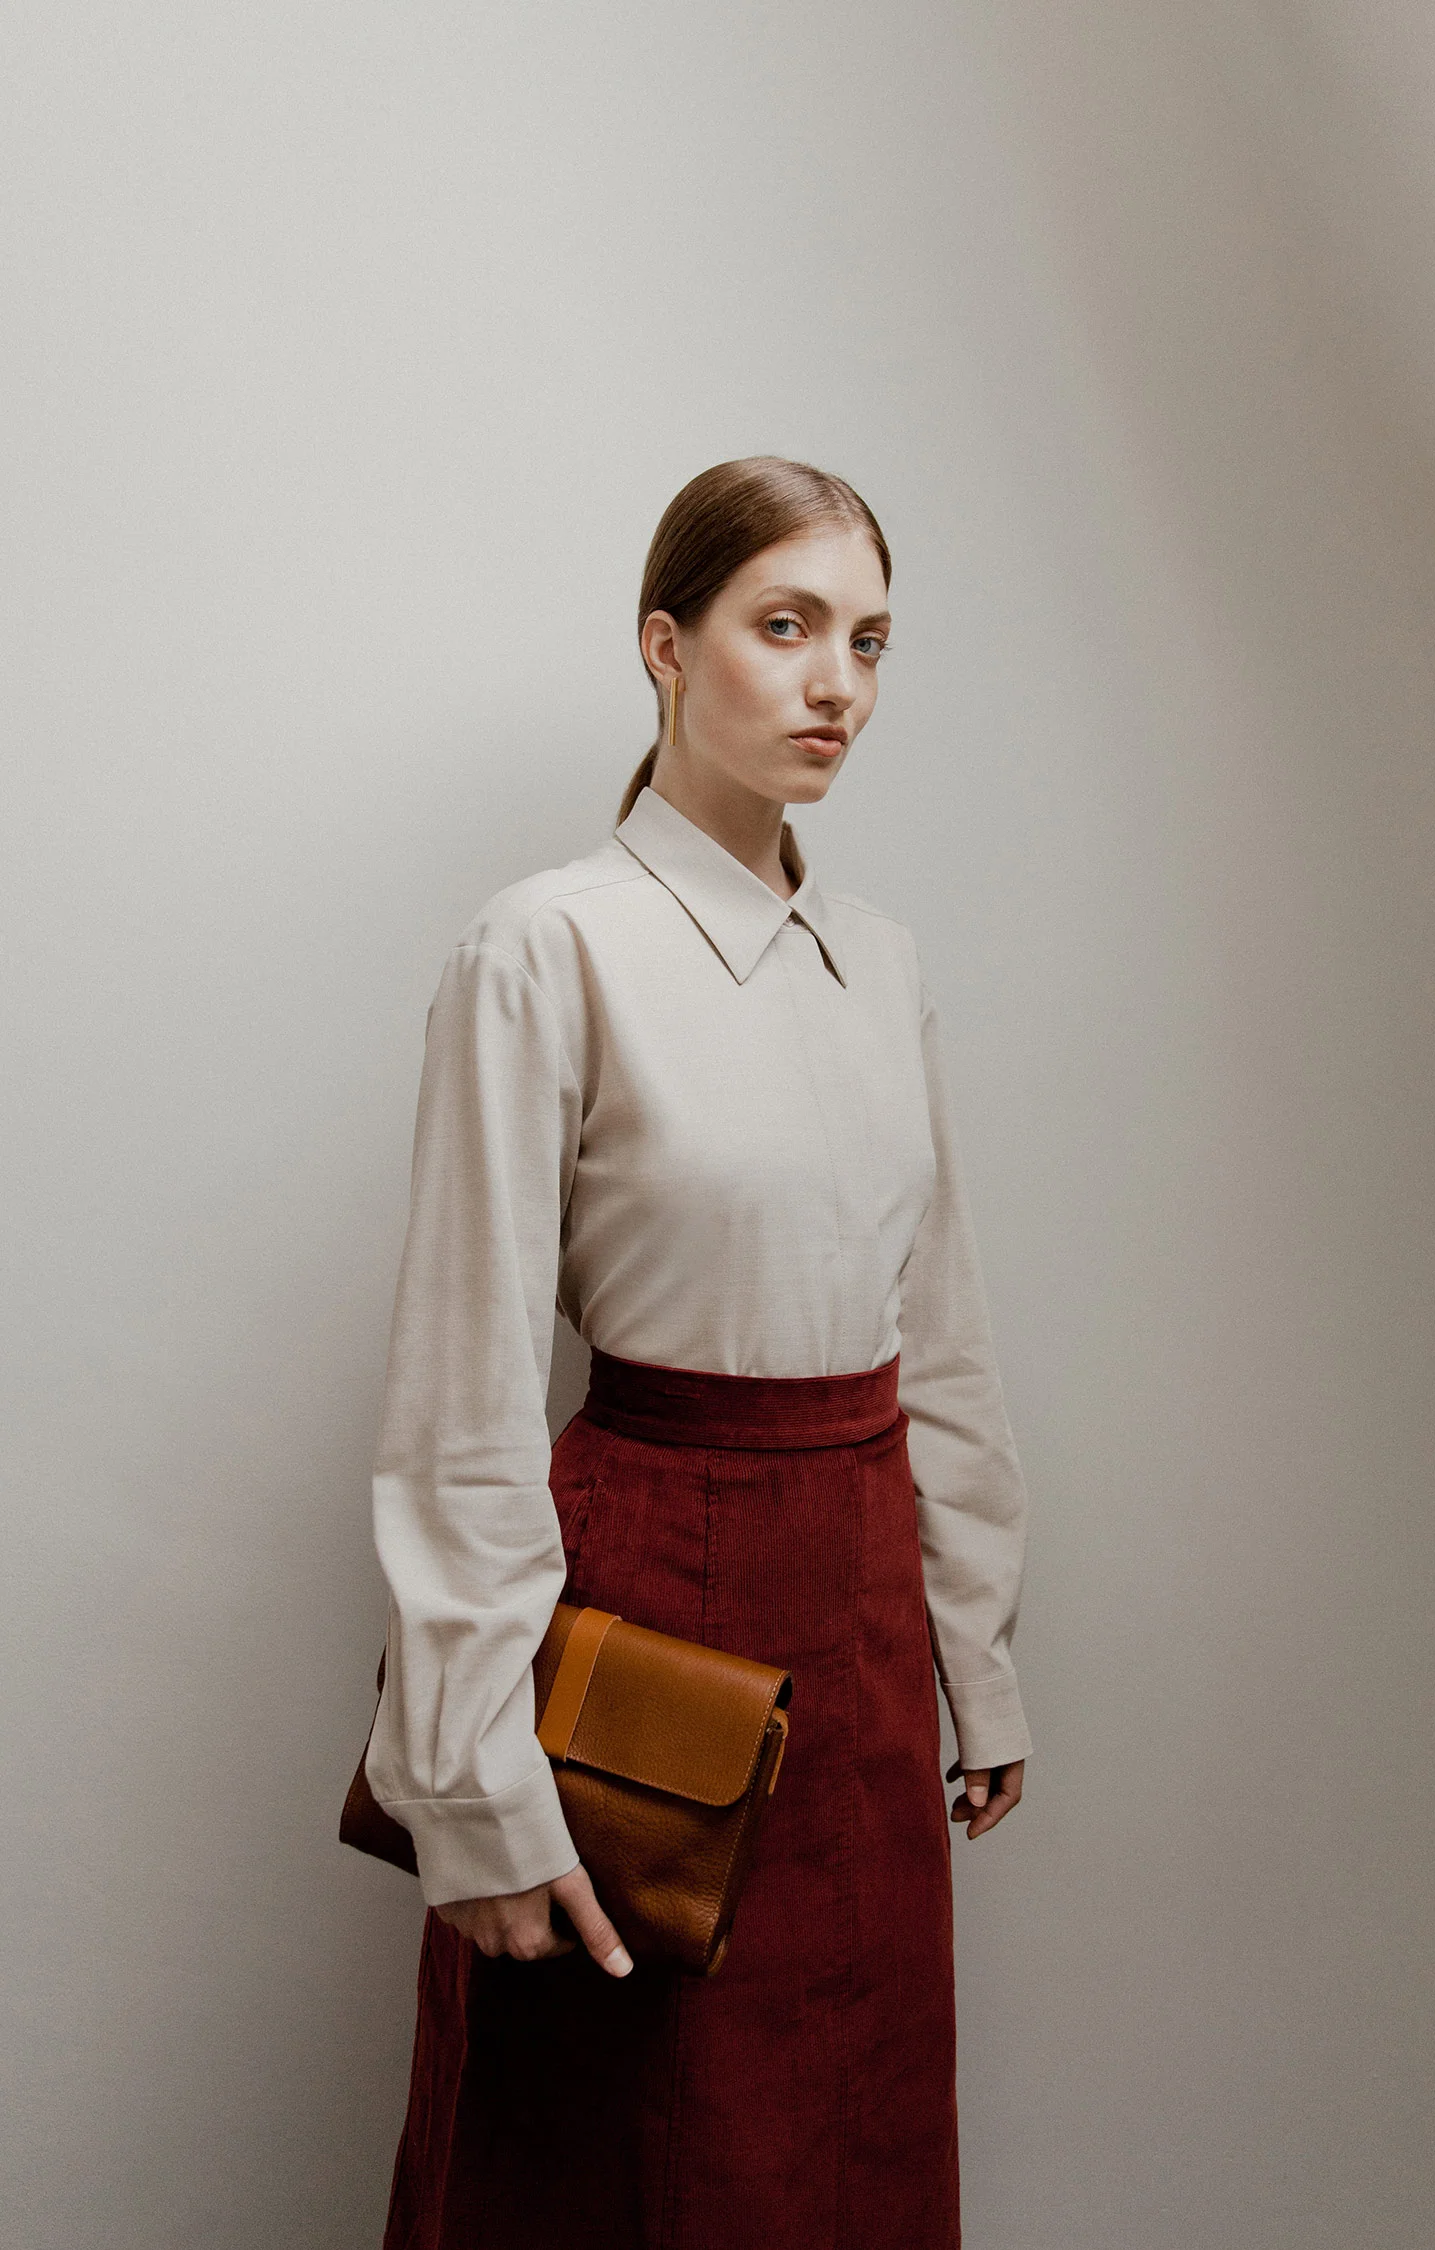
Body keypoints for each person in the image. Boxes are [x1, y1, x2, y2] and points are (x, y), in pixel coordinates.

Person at [365, 456, 1034, 2250]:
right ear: (665, 646)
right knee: (618, 2161)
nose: (839, 686)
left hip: (868, 1626)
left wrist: (976, 1649)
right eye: (786, 625)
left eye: (871, 641)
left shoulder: (880, 962)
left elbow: (938, 1327)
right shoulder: (546, 945)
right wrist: (471, 1773)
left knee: (851, 2143)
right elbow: (465, 1390)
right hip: (647, 1602)